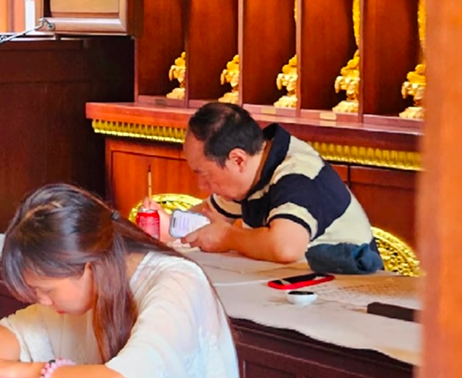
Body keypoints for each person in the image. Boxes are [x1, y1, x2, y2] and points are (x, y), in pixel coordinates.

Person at [0, 183, 244, 378]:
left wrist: (34, 373)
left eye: (46, 290)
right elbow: (14, 334)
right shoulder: (86, 290)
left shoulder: (176, 283)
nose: (43, 301)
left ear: (87, 265)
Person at [155, 102, 382, 274]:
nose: (201, 186)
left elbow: (285, 247)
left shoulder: (297, 173)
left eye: (204, 174)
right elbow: (210, 217)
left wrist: (228, 237)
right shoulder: (251, 172)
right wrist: (169, 226)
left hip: (349, 290)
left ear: (238, 160)